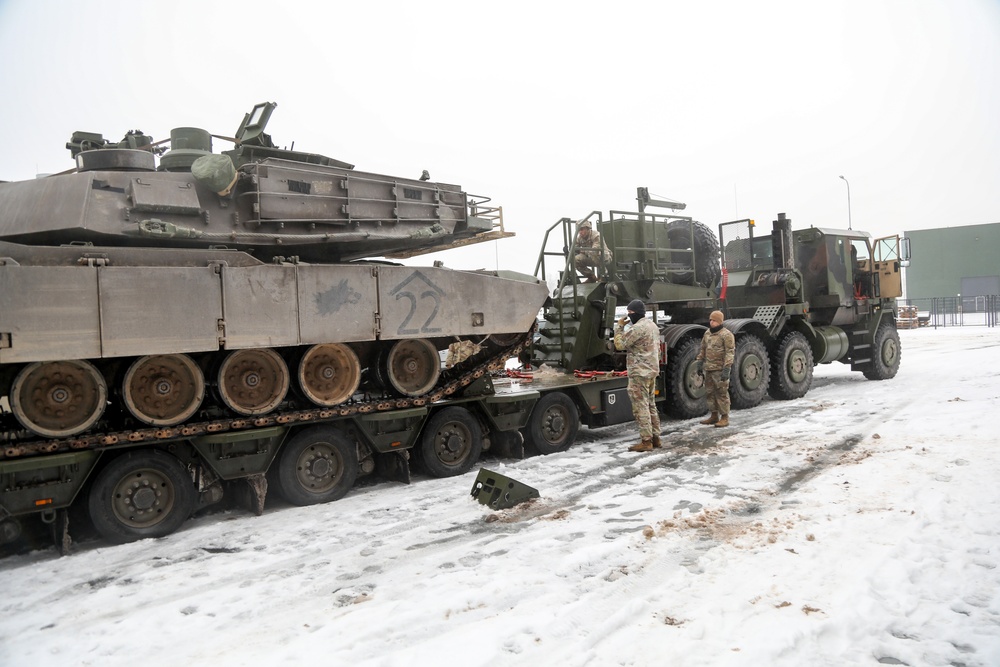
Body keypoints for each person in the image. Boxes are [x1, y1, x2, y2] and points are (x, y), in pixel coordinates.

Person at [613, 299, 662, 451]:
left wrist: (619, 327)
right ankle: (656, 438)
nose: (628, 316)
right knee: (651, 405)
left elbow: (620, 344)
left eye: (630, 313)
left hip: (639, 372)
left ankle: (646, 441)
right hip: (651, 370)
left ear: (636, 313)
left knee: (641, 407)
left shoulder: (637, 328)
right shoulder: (652, 325)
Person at [695, 310, 735, 428]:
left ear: (719, 321)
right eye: (710, 320)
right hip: (709, 368)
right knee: (709, 392)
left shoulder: (726, 335)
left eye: (714, 320)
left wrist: (727, 368)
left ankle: (724, 417)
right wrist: (699, 362)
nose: (711, 322)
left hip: (720, 369)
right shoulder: (707, 333)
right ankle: (713, 415)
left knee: (721, 393)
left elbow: (730, 353)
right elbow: (703, 349)